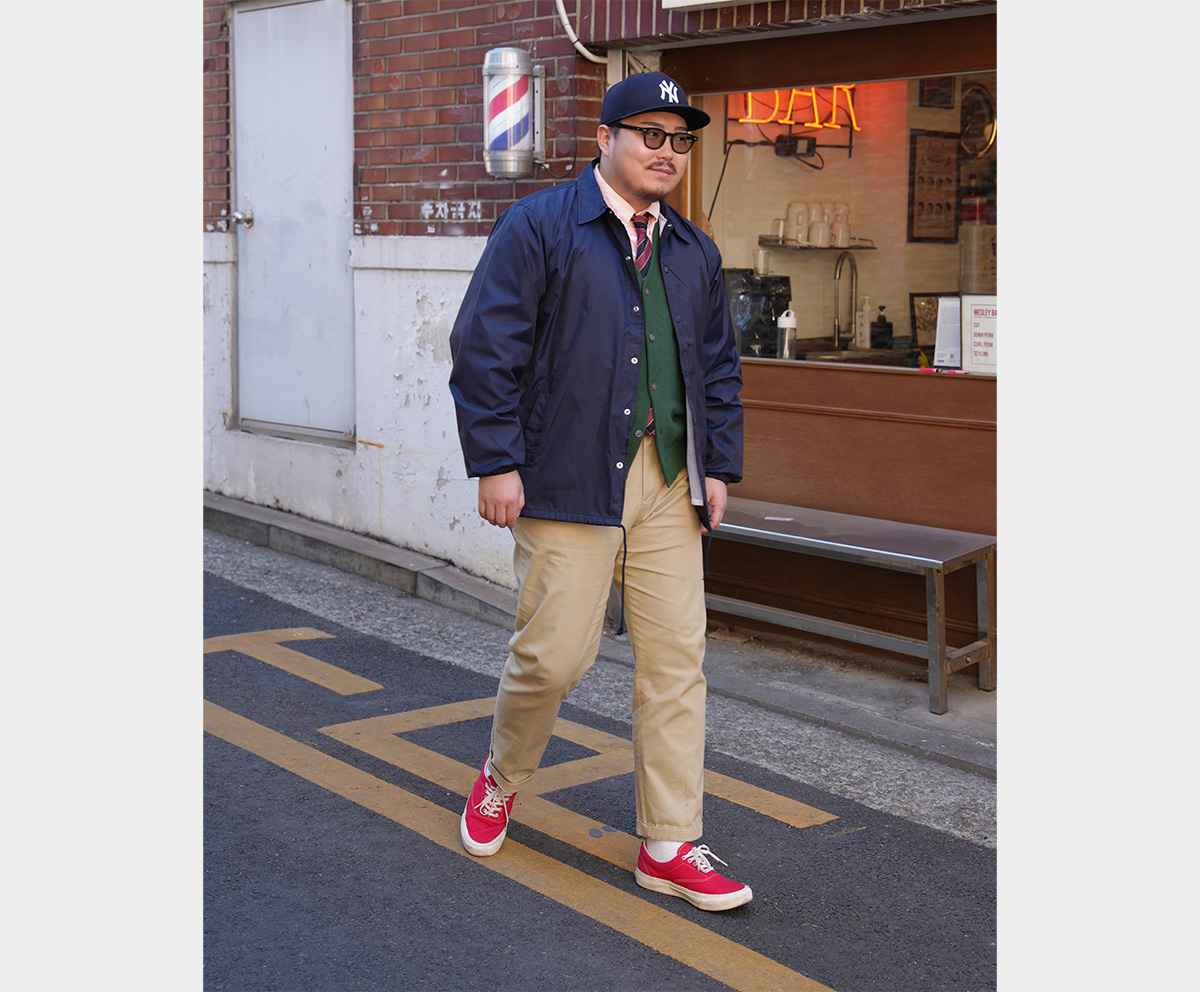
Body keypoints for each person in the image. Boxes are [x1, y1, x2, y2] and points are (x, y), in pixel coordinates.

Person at [448, 71, 748, 911]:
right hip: (566, 477)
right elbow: (484, 347)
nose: (668, 153)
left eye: (681, 140)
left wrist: (715, 463)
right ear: (606, 139)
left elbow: (717, 368)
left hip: (665, 480)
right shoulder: (541, 225)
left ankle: (670, 841)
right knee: (554, 658)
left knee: (675, 663)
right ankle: (503, 773)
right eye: (650, 135)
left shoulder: (691, 249)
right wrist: (496, 460)